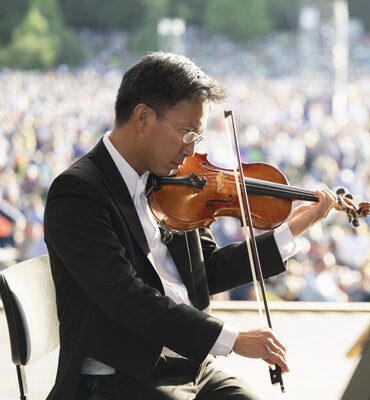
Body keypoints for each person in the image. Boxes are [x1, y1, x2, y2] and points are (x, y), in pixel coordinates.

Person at [43, 52, 337, 400]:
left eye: (198, 136)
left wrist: (290, 231)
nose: (191, 149)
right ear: (142, 117)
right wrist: (233, 339)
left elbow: (207, 270)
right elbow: (127, 299)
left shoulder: (176, 182)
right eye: (186, 133)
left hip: (189, 365)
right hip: (119, 378)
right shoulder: (78, 192)